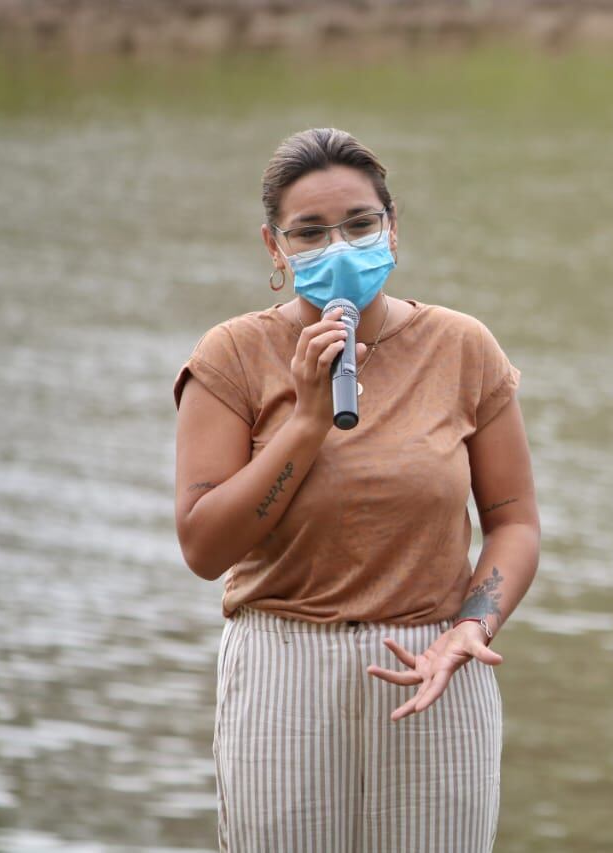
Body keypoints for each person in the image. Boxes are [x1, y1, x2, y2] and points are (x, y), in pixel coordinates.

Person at [173, 127, 539, 852]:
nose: (338, 246)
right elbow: (205, 546)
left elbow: (514, 520)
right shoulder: (232, 355)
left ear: (392, 229)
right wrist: (308, 420)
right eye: (309, 232)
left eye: (360, 224)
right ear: (275, 250)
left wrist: (474, 625)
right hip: (284, 660)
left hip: (433, 663)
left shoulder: (462, 346)